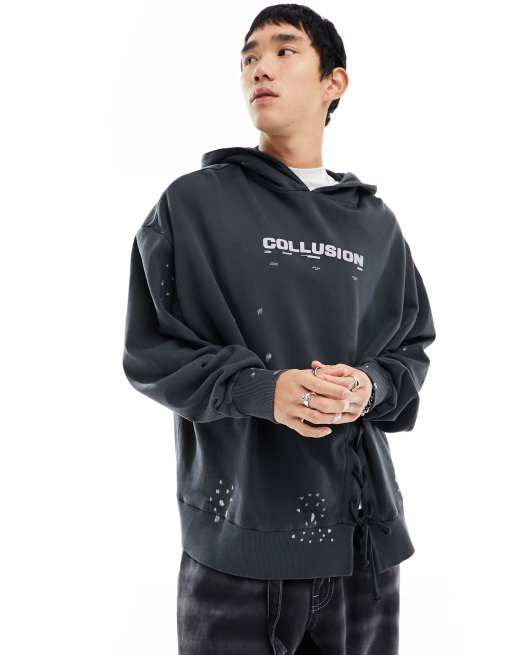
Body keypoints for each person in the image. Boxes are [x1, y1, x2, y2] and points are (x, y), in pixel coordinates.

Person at [122, 4, 436, 654]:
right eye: (249, 56)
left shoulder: (375, 225)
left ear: (333, 82)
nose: (259, 67)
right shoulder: (194, 203)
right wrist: (263, 390)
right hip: (237, 545)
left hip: (362, 548)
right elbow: (152, 351)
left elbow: (408, 349)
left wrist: (369, 387)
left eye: (284, 50)